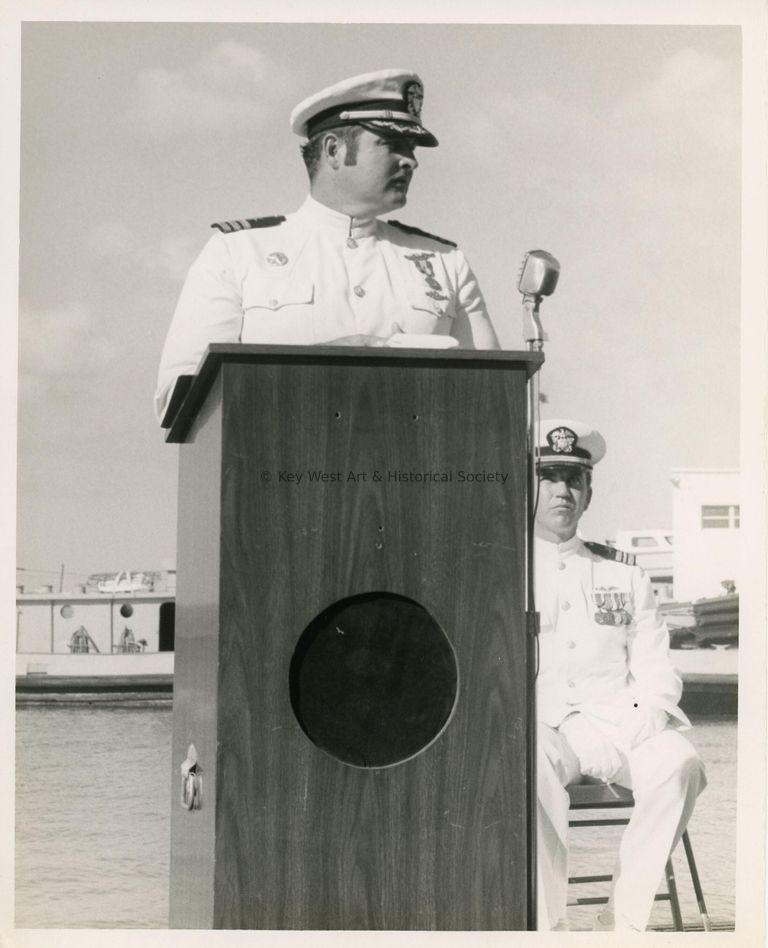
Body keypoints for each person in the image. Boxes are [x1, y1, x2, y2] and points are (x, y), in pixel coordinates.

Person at [154, 68, 499, 423]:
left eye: (411, 148)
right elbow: (178, 400)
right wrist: (317, 368)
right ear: (334, 150)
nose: (411, 160)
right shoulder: (237, 253)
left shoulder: (445, 263)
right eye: (392, 144)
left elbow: (494, 399)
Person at [533, 418, 706, 932]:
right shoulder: (505, 567)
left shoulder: (624, 573)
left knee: (682, 763)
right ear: (529, 484)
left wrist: (642, 723)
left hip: (617, 724)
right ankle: (550, 930)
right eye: (549, 477)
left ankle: (621, 926)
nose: (562, 490)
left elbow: (656, 670)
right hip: (542, 728)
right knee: (527, 766)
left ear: (589, 493)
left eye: (573, 480)